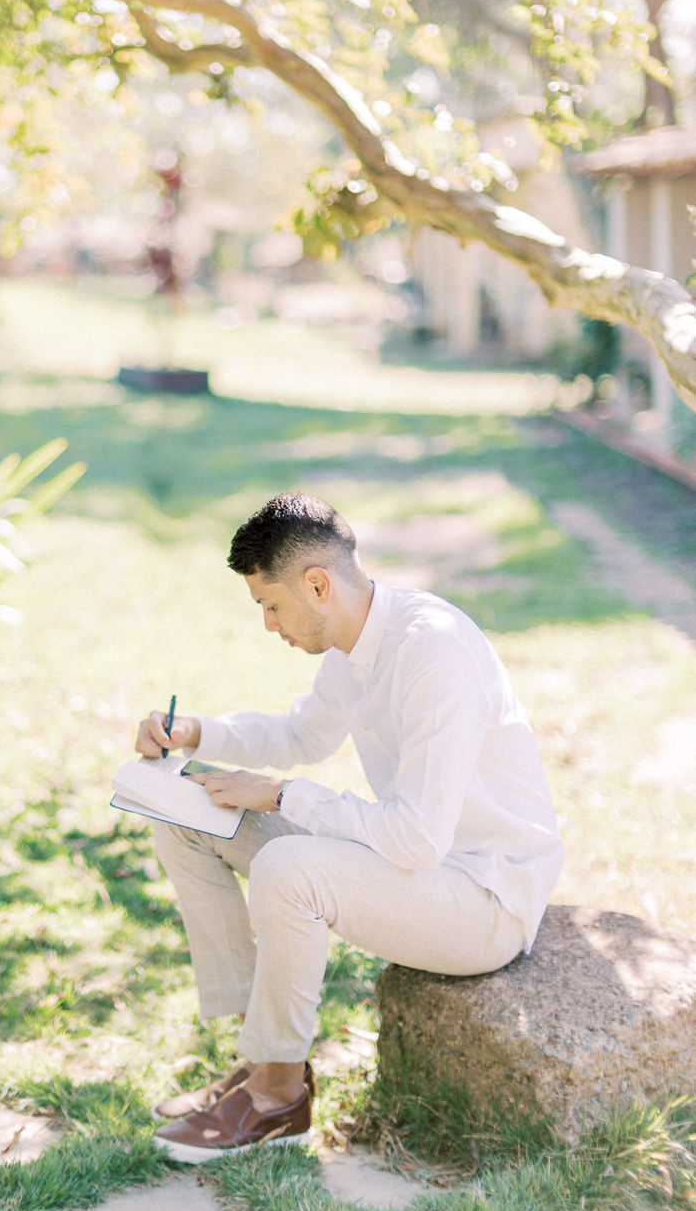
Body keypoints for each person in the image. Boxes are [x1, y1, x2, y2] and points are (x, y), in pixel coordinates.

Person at [135, 492, 564, 1163]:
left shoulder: (433, 653)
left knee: (289, 870)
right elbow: (301, 733)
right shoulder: (355, 643)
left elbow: (417, 839)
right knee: (188, 818)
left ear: (317, 584)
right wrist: (195, 733)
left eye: (271, 606)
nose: (269, 625)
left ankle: (278, 1098)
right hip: (416, 872)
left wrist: (281, 796)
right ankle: (264, 1062)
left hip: (484, 898)